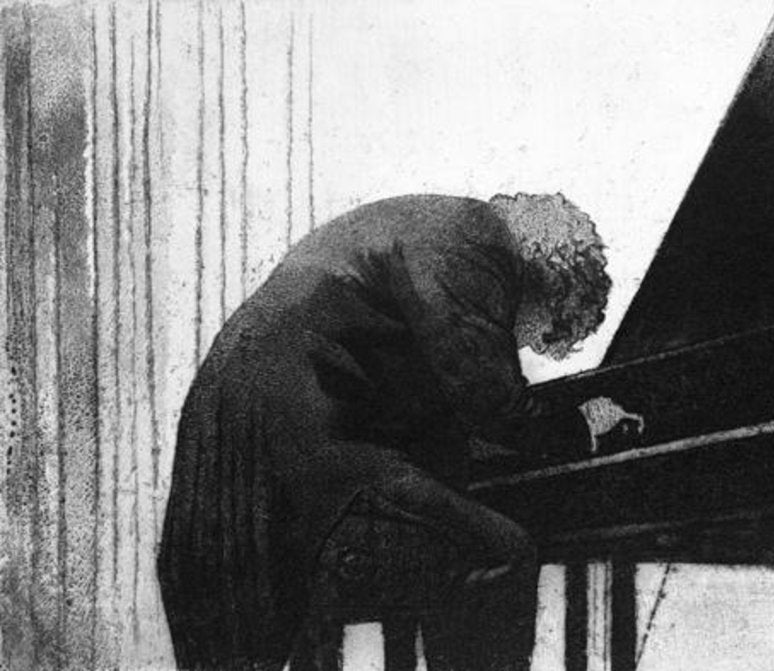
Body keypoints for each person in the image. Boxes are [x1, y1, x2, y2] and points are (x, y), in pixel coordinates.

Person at [157, 193, 642, 670]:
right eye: (543, 331)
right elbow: (494, 405)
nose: (524, 345)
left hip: (247, 466)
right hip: (301, 466)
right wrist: (581, 426)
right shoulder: (475, 245)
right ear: (549, 284)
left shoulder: (437, 232)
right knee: (495, 555)